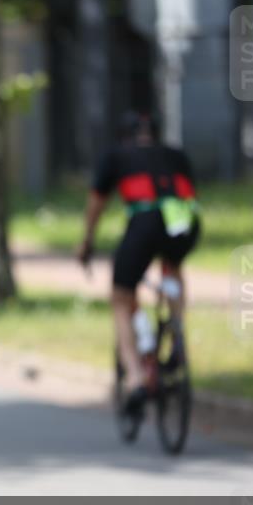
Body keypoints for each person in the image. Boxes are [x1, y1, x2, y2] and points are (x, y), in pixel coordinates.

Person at [77, 111, 202, 417]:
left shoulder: (116, 155)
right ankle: (176, 332)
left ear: (123, 136)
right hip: (185, 222)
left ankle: (135, 378)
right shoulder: (175, 154)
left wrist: (87, 242)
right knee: (172, 266)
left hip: (145, 221)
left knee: (121, 298)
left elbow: (97, 203)